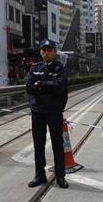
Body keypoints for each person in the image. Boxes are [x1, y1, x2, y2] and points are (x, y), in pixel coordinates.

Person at [26, 39, 70, 189]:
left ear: (55, 52)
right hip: (37, 112)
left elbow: (59, 86)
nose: (46, 52)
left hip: (54, 111)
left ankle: (60, 176)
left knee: (57, 144)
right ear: (41, 52)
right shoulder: (34, 68)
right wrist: (45, 86)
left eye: (49, 50)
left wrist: (41, 84)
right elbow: (29, 87)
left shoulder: (61, 68)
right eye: (44, 50)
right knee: (38, 145)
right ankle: (39, 175)